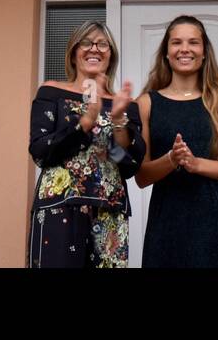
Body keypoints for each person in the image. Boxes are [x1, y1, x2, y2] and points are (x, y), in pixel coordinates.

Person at [136, 14, 218, 267]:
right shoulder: (146, 103)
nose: (184, 49)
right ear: (166, 52)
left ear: (204, 52)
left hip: (214, 222)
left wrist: (196, 164)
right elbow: (141, 177)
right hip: (166, 224)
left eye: (193, 42)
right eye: (176, 42)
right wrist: (170, 160)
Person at [28, 21, 145, 267]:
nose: (95, 49)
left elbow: (129, 165)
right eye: (86, 42)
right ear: (73, 53)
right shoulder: (51, 91)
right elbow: (40, 151)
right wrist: (84, 123)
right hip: (59, 208)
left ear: (111, 56)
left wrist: (117, 122)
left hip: (109, 212)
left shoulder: (125, 105)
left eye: (103, 44)